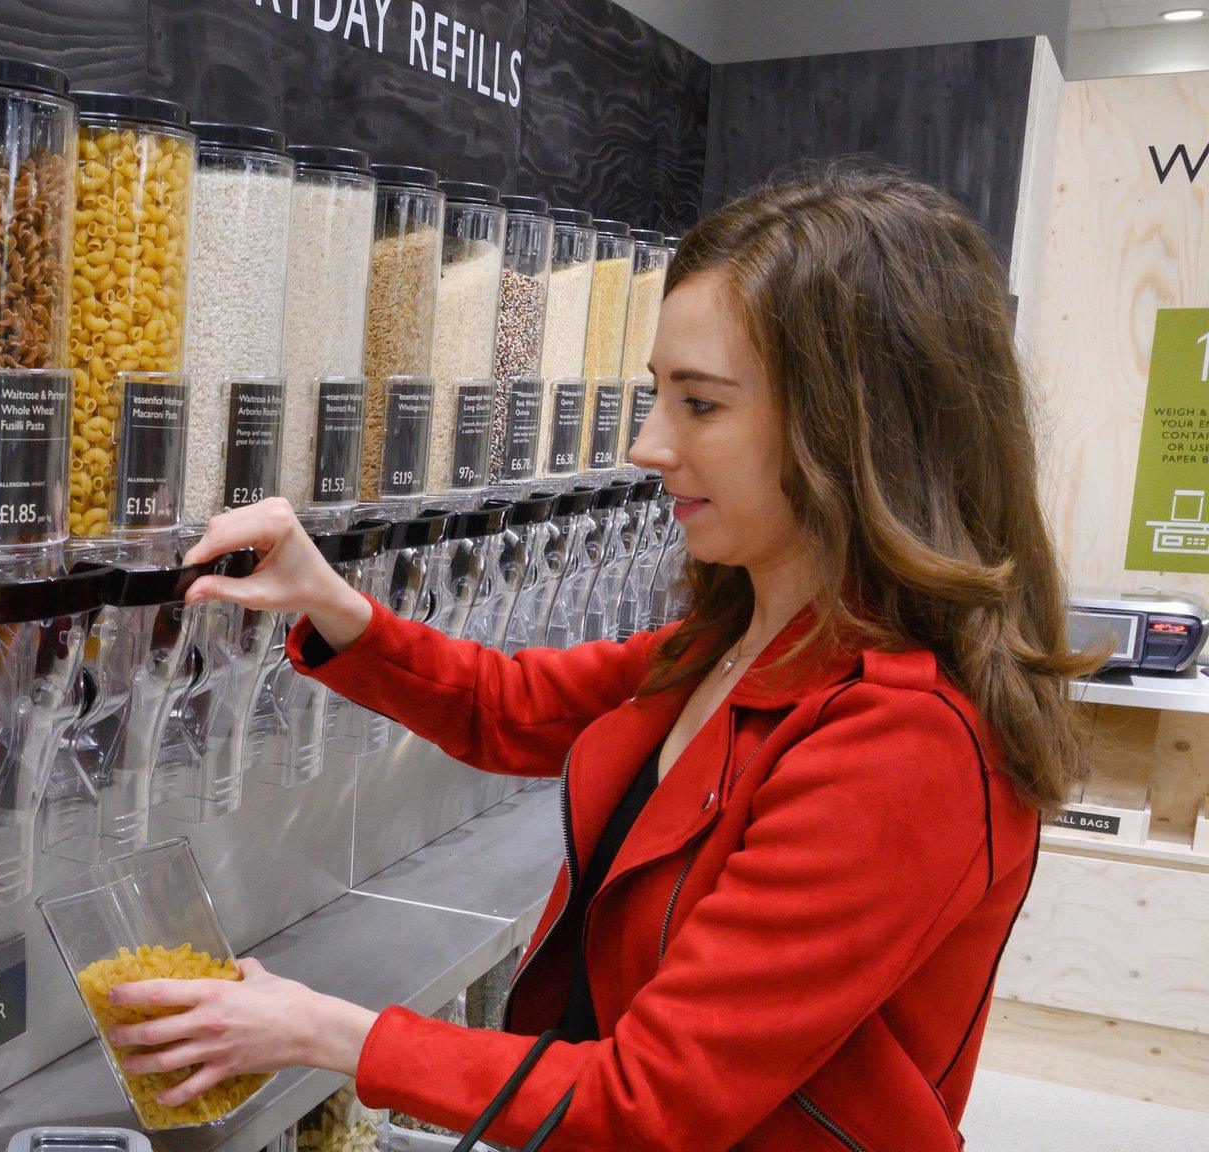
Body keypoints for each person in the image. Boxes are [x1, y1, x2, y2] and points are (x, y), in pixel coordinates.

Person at [102, 165, 1098, 1151]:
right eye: (652, 393)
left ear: (853, 428)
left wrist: (322, 1031)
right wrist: (331, 602)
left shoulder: (900, 741)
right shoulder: (740, 643)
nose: (645, 444)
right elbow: (509, 707)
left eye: (699, 405)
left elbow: (651, 1101)